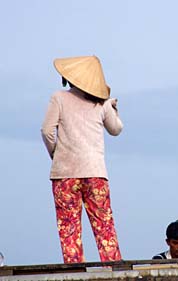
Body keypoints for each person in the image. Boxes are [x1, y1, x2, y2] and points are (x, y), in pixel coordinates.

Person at [41, 55, 123, 263]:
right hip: (95, 172)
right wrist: (113, 108)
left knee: (69, 230)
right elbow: (116, 129)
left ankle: (74, 271)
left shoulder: (58, 98)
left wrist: (56, 153)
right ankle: (114, 268)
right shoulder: (102, 102)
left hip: (65, 174)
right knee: (104, 227)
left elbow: (47, 131)